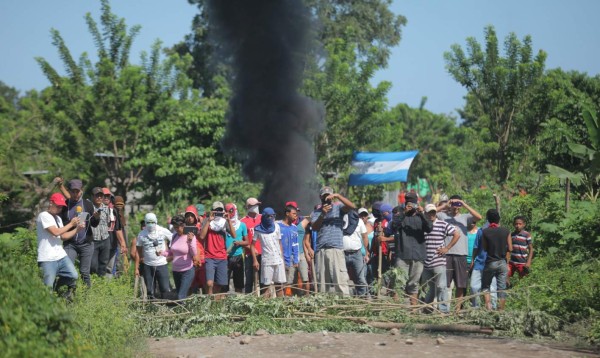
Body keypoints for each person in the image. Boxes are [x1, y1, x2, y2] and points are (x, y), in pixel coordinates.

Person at [436, 194, 482, 310]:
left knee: (460, 284)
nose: (455, 206)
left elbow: (479, 217)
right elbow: (430, 213)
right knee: (444, 284)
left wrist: (464, 204)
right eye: (454, 203)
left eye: (458, 204)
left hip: (461, 254)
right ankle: (444, 309)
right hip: (446, 254)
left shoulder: (465, 217)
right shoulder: (443, 216)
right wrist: (446, 205)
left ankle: (457, 309)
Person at [389, 194, 433, 305]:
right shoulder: (400, 214)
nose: (411, 206)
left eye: (412, 203)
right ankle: (394, 312)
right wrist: (404, 213)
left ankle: (413, 312)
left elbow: (429, 228)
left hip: (418, 255)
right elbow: (394, 226)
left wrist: (422, 213)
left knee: (414, 285)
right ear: (405, 204)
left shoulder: (420, 216)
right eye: (408, 203)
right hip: (403, 254)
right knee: (399, 283)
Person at [310, 186, 355, 295]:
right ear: (321, 197)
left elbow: (352, 206)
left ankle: (344, 303)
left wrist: (338, 196)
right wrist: (323, 214)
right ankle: (323, 305)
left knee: (340, 281)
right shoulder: (316, 212)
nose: (327, 198)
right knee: (322, 283)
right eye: (325, 196)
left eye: (329, 195)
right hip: (321, 250)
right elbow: (315, 227)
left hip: (336, 248)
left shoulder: (338, 208)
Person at [36, 193, 82, 299]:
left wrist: (77, 229)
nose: (60, 208)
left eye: (61, 206)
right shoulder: (44, 215)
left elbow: (63, 236)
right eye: (58, 205)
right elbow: (55, 232)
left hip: (60, 256)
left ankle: (57, 290)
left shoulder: (58, 218)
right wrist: (71, 224)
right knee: (47, 289)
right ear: (50, 203)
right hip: (47, 258)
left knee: (73, 275)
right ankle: (47, 311)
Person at [57, 178, 99, 288]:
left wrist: (97, 218)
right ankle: (69, 291)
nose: (75, 194)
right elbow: (60, 223)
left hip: (86, 243)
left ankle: (86, 298)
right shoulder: (65, 205)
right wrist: (71, 224)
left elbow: (94, 224)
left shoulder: (87, 204)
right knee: (67, 269)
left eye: (78, 191)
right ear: (69, 191)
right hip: (70, 243)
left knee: (85, 272)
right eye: (73, 191)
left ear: (82, 191)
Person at [421, 204, 459, 313]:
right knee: (429, 289)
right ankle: (427, 310)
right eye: (429, 212)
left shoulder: (442, 224)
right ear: (426, 213)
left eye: (433, 212)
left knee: (441, 286)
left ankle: (444, 311)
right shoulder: (423, 225)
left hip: (438, 261)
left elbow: (456, 233)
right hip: (426, 262)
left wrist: (447, 248)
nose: (432, 214)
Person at [199, 201, 235, 296]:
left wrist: (229, 220)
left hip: (222, 257)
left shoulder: (224, 222)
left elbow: (234, 235)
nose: (218, 212)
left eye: (220, 210)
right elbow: (202, 236)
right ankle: (210, 299)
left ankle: (215, 302)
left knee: (220, 284)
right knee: (209, 283)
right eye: (216, 210)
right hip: (209, 256)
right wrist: (209, 221)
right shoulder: (206, 220)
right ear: (212, 211)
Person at [480, 209, 512, 310]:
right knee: (501, 288)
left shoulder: (485, 232)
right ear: (498, 219)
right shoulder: (506, 231)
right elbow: (510, 248)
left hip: (490, 262)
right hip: (502, 262)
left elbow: (485, 248)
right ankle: (501, 310)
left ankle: (489, 308)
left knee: (486, 286)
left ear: (488, 220)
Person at [135, 213, 173, 299]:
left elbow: (174, 239)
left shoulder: (163, 231)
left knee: (165, 288)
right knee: (150, 290)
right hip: (148, 265)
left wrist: (171, 253)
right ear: (145, 222)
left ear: (156, 221)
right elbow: (139, 248)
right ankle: (151, 308)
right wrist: (141, 259)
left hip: (161, 264)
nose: (150, 224)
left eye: (152, 222)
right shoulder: (141, 234)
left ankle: (165, 308)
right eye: (148, 222)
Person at [160, 215, 198, 299]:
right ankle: (183, 309)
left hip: (187, 270)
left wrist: (190, 241)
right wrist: (162, 253)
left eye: (178, 227)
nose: (176, 229)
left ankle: (183, 310)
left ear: (183, 225)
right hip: (176, 270)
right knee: (179, 294)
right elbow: (172, 252)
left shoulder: (190, 236)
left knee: (181, 296)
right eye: (174, 227)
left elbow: (194, 253)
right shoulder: (174, 236)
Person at [252, 207, 285, 297]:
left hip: (278, 260)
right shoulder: (258, 230)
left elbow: (279, 243)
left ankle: (281, 307)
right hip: (267, 261)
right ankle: (265, 308)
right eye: (269, 216)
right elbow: (252, 245)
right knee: (266, 287)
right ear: (264, 217)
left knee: (279, 286)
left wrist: (282, 258)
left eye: (273, 216)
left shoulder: (277, 226)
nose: (271, 218)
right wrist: (255, 260)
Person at [342, 209, 369, 297]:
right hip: (342, 254)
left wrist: (366, 253)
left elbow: (365, 237)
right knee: (342, 279)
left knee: (360, 279)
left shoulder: (359, 221)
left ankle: (362, 299)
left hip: (357, 254)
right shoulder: (340, 221)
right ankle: (345, 299)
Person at [225, 203, 249, 293]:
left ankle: (238, 303)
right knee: (224, 284)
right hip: (226, 257)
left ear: (235, 211)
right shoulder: (222, 224)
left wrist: (239, 242)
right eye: (226, 211)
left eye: (231, 211)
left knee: (239, 284)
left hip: (238, 256)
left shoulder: (242, 225)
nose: (229, 213)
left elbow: (247, 241)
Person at [241, 197, 262, 294]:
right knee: (249, 281)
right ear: (248, 207)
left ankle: (264, 302)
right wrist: (251, 248)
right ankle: (248, 301)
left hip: (262, 253)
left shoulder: (262, 218)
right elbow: (241, 241)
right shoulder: (243, 222)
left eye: (257, 205)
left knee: (263, 281)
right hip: (249, 255)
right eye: (254, 205)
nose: (257, 207)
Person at [289, 201, 311, 295]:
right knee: (291, 280)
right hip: (290, 255)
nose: (296, 213)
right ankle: (294, 299)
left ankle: (307, 298)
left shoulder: (303, 221)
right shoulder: (283, 225)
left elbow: (314, 218)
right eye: (294, 212)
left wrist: (308, 251)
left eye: (297, 211)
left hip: (301, 253)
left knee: (305, 278)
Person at [278, 204, 299, 295]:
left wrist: (296, 259)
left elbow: (296, 244)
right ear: (287, 213)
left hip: (289, 261)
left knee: (288, 283)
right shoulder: (277, 226)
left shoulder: (294, 228)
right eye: (294, 213)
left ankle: (286, 301)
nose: (296, 215)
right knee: (278, 283)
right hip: (279, 260)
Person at [90, 187, 111, 277]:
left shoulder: (107, 209)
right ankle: (92, 280)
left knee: (103, 263)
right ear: (93, 197)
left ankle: (101, 282)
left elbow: (108, 222)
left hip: (105, 238)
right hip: (93, 240)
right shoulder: (89, 208)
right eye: (97, 196)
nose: (99, 198)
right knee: (93, 265)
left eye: (101, 196)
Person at [508, 215, 534, 285]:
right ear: (513, 224)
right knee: (505, 276)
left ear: (524, 225)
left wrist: (528, 262)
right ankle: (507, 290)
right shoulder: (511, 235)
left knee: (523, 281)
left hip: (522, 262)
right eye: (516, 224)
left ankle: (522, 293)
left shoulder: (526, 235)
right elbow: (508, 248)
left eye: (520, 224)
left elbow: (531, 249)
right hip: (512, 262)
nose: (517, 225)